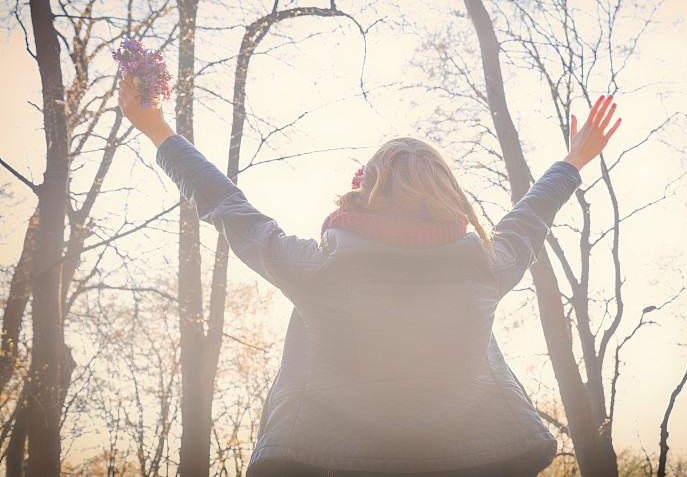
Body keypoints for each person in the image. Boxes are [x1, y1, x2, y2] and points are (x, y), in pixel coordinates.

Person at [118, 76, 620, 477]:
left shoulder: (317, 271)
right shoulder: (487, 267)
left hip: (329, 461)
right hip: (476, 460)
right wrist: (574, 159)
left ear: (365, 191)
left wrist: (157, 129)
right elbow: (531, 217)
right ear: (446, 195)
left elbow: (226, 204)